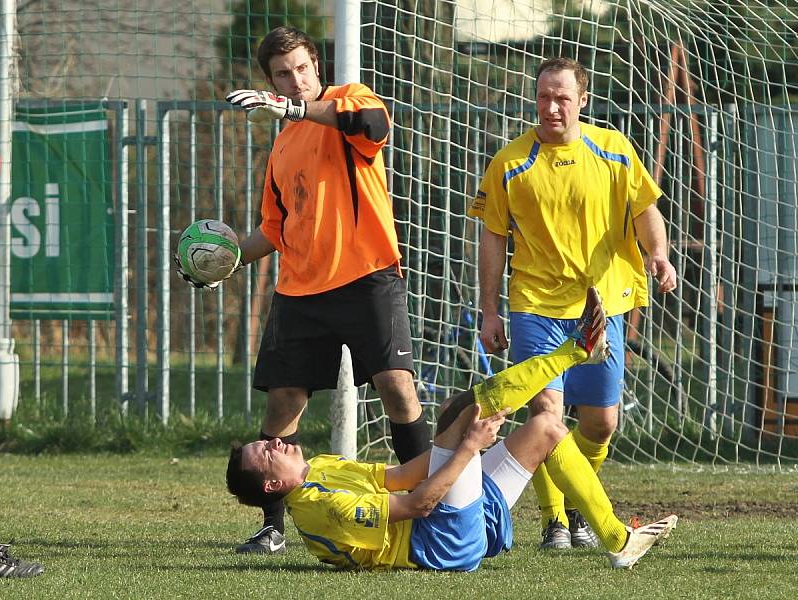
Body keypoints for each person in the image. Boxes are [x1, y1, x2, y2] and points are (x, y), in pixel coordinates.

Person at [177, 26, 431, 554]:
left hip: (367, 277)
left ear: (317, 66)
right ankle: (273, 527)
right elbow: (274, 230)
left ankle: (429, 507)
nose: (295, 81)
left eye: (301, 69)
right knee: (282, 408)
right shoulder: (282, 147)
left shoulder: (347, 99)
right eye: (282, 75)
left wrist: (294, 110)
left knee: (397, 388)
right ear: (268, 80)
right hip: (300, 292)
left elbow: (373, 124)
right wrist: (220, 262)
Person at [226, 288, 679, 571]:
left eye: (266, 439)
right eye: (266, 450)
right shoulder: (323, 509)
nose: (276, 440)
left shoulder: (321, 468)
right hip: (443, 544)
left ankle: (620, 540)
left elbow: (401, 477)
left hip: (457, 522)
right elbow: (419, 504)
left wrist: (471, 454)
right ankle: (578, 350)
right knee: (457, 410)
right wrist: (464, 448)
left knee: (545, 427)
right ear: (271, 483)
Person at [468, 56, 678, 550]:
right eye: (544, 97)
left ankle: (572, 504)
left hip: (601, 308)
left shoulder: (614, 150)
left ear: (583, 100)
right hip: (535, 304)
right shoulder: (510, 163)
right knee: (546, 414)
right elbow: (493, 237)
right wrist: (490, 309)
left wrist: (660, 255)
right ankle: (556, 519)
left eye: (562, 97)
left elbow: (646, 211)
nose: (552, 107)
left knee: (601, 423)